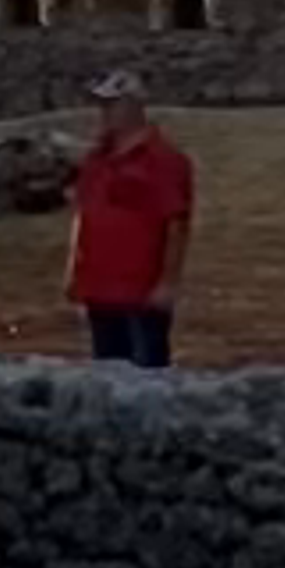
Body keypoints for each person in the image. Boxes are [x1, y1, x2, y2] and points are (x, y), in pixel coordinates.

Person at [67, 71, 195, 369]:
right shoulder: (96, 158)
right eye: (102, 105)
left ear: (134, 106)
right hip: (100, 288)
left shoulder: (163, 160)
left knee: (146, 374)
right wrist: (76, 275)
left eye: (112, 104)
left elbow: (176, 223)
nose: (105, 112)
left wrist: (167, 283)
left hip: (141, 293)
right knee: (106, 370)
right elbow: (84, 216)